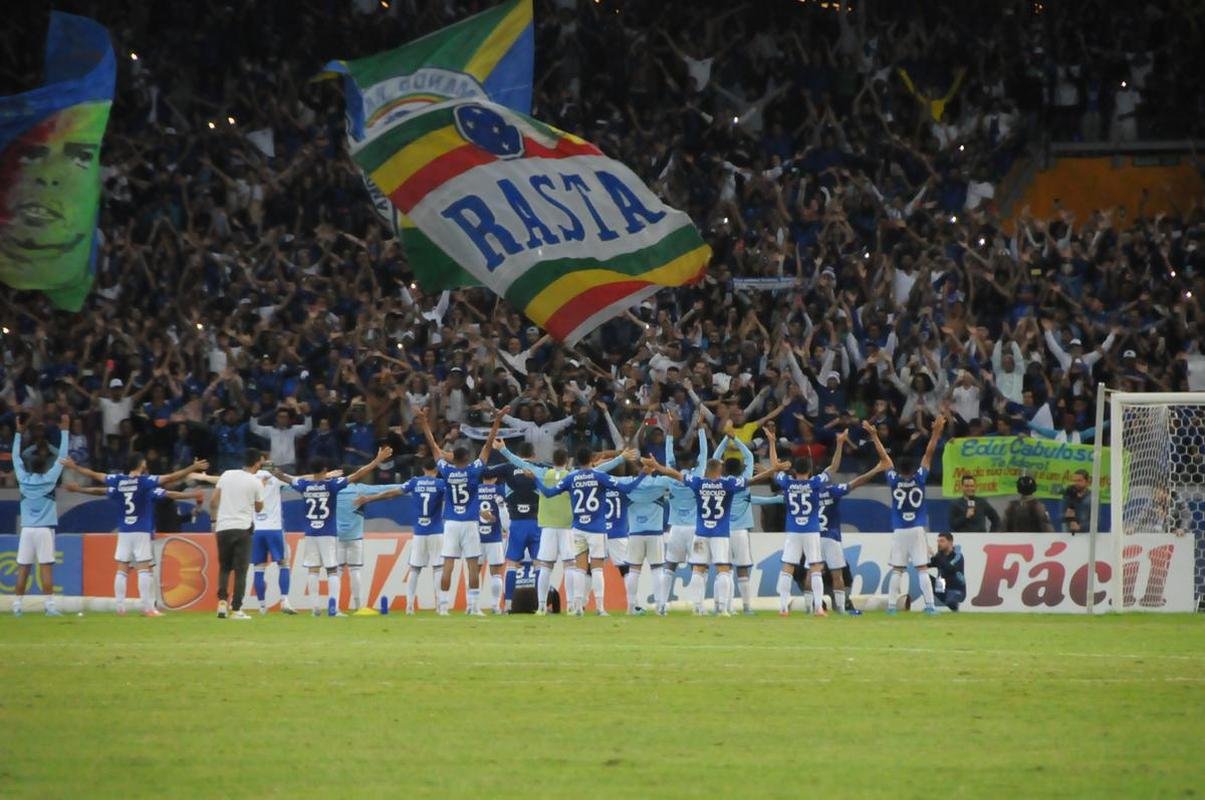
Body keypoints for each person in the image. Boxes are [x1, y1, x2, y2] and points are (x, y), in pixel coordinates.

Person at [60, 453, 207, 616]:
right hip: (141, 530)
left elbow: (96, 482)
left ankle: (120, 607)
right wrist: (192, 469)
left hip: (124, 531)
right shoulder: (146, 483)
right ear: (140, 464)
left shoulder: (119, 481)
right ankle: (147, 608)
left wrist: (76, 474)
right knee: (144, 569)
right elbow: (171, 482)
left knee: (122, 568)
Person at [499, 442, 626, 615]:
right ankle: (572, 605)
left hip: (547, 527)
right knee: (570, 566)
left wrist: (503, 450)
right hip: (567, 527)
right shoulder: (571, 475)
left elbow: (521, 463)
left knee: (544, 566)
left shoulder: (543, 473)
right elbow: (601, 469)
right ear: (567, 461)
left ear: (553, 461)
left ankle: (542, 606)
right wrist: (620, 458)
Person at [642, 455, 776, 616]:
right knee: (723, 569)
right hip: (720, 534)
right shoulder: (728, 484)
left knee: (698, 568)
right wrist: (773, 471)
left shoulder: (699, 483)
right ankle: (722, 609)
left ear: (707, 470)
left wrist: (658, 466)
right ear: (720, 470)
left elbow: (676, 475)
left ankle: (697, 607)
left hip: (701, 534)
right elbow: (752, 480)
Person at [273, 447, 392, 617]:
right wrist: (376, 461)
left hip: (310, 533)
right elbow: (357, 475)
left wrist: (271, 469)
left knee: (313, 569)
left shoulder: (303, 484)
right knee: (332, 570)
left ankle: (315, 609)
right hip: (328, 533)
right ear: (324, 470)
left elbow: (284, 477)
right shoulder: (332, 485)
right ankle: (334, 609)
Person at [533, 447, 649, 616]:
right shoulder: (599, 476)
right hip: (596, 529)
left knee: (580, 569)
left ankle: (578, 607)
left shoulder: (571, 477)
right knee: (596, 569)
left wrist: (535, 480)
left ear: (577, 461)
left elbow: (549, 493)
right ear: (591, 460)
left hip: (578, 528)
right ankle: (600, 608)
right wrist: (643, 475)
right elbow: (627, 489)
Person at [417, 407, 504, 616]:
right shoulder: (474, 471)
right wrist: (497, 422)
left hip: (451, 523)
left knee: (448, 565)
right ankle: (473, 606)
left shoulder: (446, 471)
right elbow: (488, 446)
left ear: (453, 458)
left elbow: (435, 448)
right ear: (467, 459)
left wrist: (424, 424)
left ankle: (443, 607)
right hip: (470, 523)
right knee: (472, 565)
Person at [190, 456, 296, 615]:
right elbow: (298, 479)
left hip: (255, 529)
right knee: (283, 564)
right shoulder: (275, 478)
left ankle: (261, 606)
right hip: (273, 528)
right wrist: (322, 476)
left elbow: (220, 480)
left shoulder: (249, 478)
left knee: (258, 567)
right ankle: (284, 601)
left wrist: (203, 477)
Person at [814, 421, 892, 615]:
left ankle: (813, 606)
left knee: (813, 571)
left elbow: (831, 468)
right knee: (837, 573)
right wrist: (876, 469)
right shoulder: (833, 491)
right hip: (831, 537)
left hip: (812, 537)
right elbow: (855, 482)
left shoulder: (807, 491)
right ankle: (841, 609)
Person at [883, 415, 947, 615]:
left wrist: (875, 437)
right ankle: (930, 606)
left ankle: (892, 607)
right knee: (922, 569)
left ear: (899, 469)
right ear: (913, 468)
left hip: (900, 529)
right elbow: (929, 453)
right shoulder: (920, 478)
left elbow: (884, 458)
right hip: (917, 528)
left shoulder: (893, 479)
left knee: (897, 569)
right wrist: (936, 432)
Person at [767, 428, 833, 617]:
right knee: (815, 568)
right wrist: (840, 445)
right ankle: (819, 608)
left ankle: (782, 608)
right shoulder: (815, 483)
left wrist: (772, 442)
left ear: (795, 471)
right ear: (810, 471)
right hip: (812, 530)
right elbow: (832, 470)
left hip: (793, 530)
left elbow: (774, 466)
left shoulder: (788, 483)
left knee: (788, 566)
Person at [11, 414, 69, 617]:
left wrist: (18, 434)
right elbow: (62, 457)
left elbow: (15, 458)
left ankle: (17, 606)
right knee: (45, 568)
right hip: (44, 529)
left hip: (27, 530)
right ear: (45, 467)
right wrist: (65, 431)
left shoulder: (23, 480)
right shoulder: (49, 480)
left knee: (23, 568)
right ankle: (50, 607)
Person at [209, 450, 267, 620]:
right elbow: (258, 508)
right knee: (241, 571)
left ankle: (221, 602)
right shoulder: (256, 482)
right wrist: (260, 489)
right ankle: (236, 609)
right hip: (242, 528)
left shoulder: (227, 475)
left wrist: (214, 521)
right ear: (257, 463)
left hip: (223, 527)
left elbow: (213, 501)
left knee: (225, 567)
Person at [335, 476, 406, 613]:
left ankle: (334, 606)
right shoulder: (360, 489)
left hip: (337, 537)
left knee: (336, 572)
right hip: (355, 537)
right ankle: (358, 606)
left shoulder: (335, 489)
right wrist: (406, 485)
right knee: (354, 570)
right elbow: (382, 488)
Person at [485, 445, 542, 613]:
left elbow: (487, 473)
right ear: (533, 455)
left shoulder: (509, 471)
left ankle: (508, 605)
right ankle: (541, 605)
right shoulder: (538, 470)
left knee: (511, 565)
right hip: (535, 522)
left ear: (518, 455)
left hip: (516, 524)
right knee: (539, 564)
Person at [659, 425, 708, 615]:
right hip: (696, 530)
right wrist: (702, 430)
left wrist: (670, 429)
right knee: (699, 566)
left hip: (676, 529)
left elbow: (668, 454)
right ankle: (698, 607)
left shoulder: (672, 476)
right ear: (694, 463)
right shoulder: (697, 476)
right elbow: (704, 453)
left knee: (670, 565)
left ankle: (662, 605)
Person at [397, 459, 446, 614]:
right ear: (437, 470)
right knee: (438, 567)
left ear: (423, 468)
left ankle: (409, 606)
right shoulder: (440, 484)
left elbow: (397, 491)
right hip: (436, 530)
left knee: (414, 569)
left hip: (419, 531)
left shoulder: (414, 482)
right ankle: (440, 606)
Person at [476, 472, 509, 614]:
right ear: (495, 478)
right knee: (496, 574)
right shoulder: (500, 491)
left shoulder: (474, 490)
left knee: (474, 572)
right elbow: (505, 521)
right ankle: (495, 607)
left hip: (476, 538)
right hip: (494, 538)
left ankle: (472, 605)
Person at [928, 533, 966, 611]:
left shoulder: (957, 556)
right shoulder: (939, 555)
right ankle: (929, 606)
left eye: (942, 541)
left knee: (951, 599)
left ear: (950, 542)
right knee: (923, 576)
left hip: (956, 591)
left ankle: (954, 606)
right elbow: (926, 565)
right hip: (941, 588)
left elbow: (950, 569)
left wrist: (935, 557)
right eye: (938, 541)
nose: (939, 544)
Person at [1059, 469, 1091, 534]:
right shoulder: (1068, 494)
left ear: (1087, 482)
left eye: (1079, 480)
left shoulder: (1093, 498)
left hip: (1085, 535)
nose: (1076, 483)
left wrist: (1080, 527)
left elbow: (1096, 522)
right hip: (1068, 534)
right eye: (1074, 481)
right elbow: (1061, 516)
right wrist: (1067, 516)